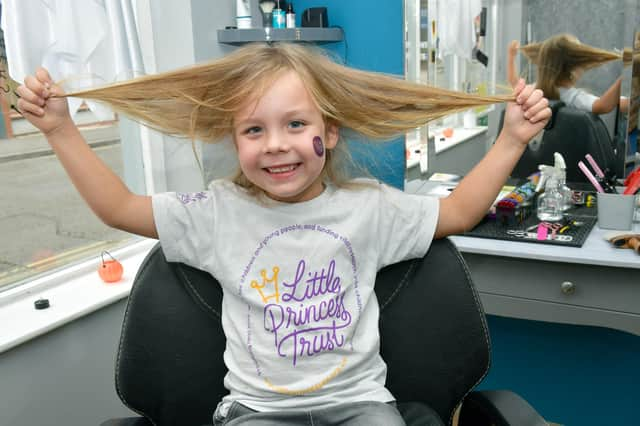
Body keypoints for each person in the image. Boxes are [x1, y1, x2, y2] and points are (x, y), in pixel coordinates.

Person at [16, 42, 550, 426]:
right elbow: (119, 207)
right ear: (235, 140)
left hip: (360, 406)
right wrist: (62, 130)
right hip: (258, 412)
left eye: (296, 125)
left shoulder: (369, 208)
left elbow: (457, 212)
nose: (275, 144)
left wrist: (511, 139)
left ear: (329, 132)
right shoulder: (216, 213)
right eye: (254, 129)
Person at [507, 34, 629, 114]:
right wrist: (626, 76)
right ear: (574, 67)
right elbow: (602, 106)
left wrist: (511, 58)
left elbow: (515, 83)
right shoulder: (572, 98)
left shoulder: (535, 91)